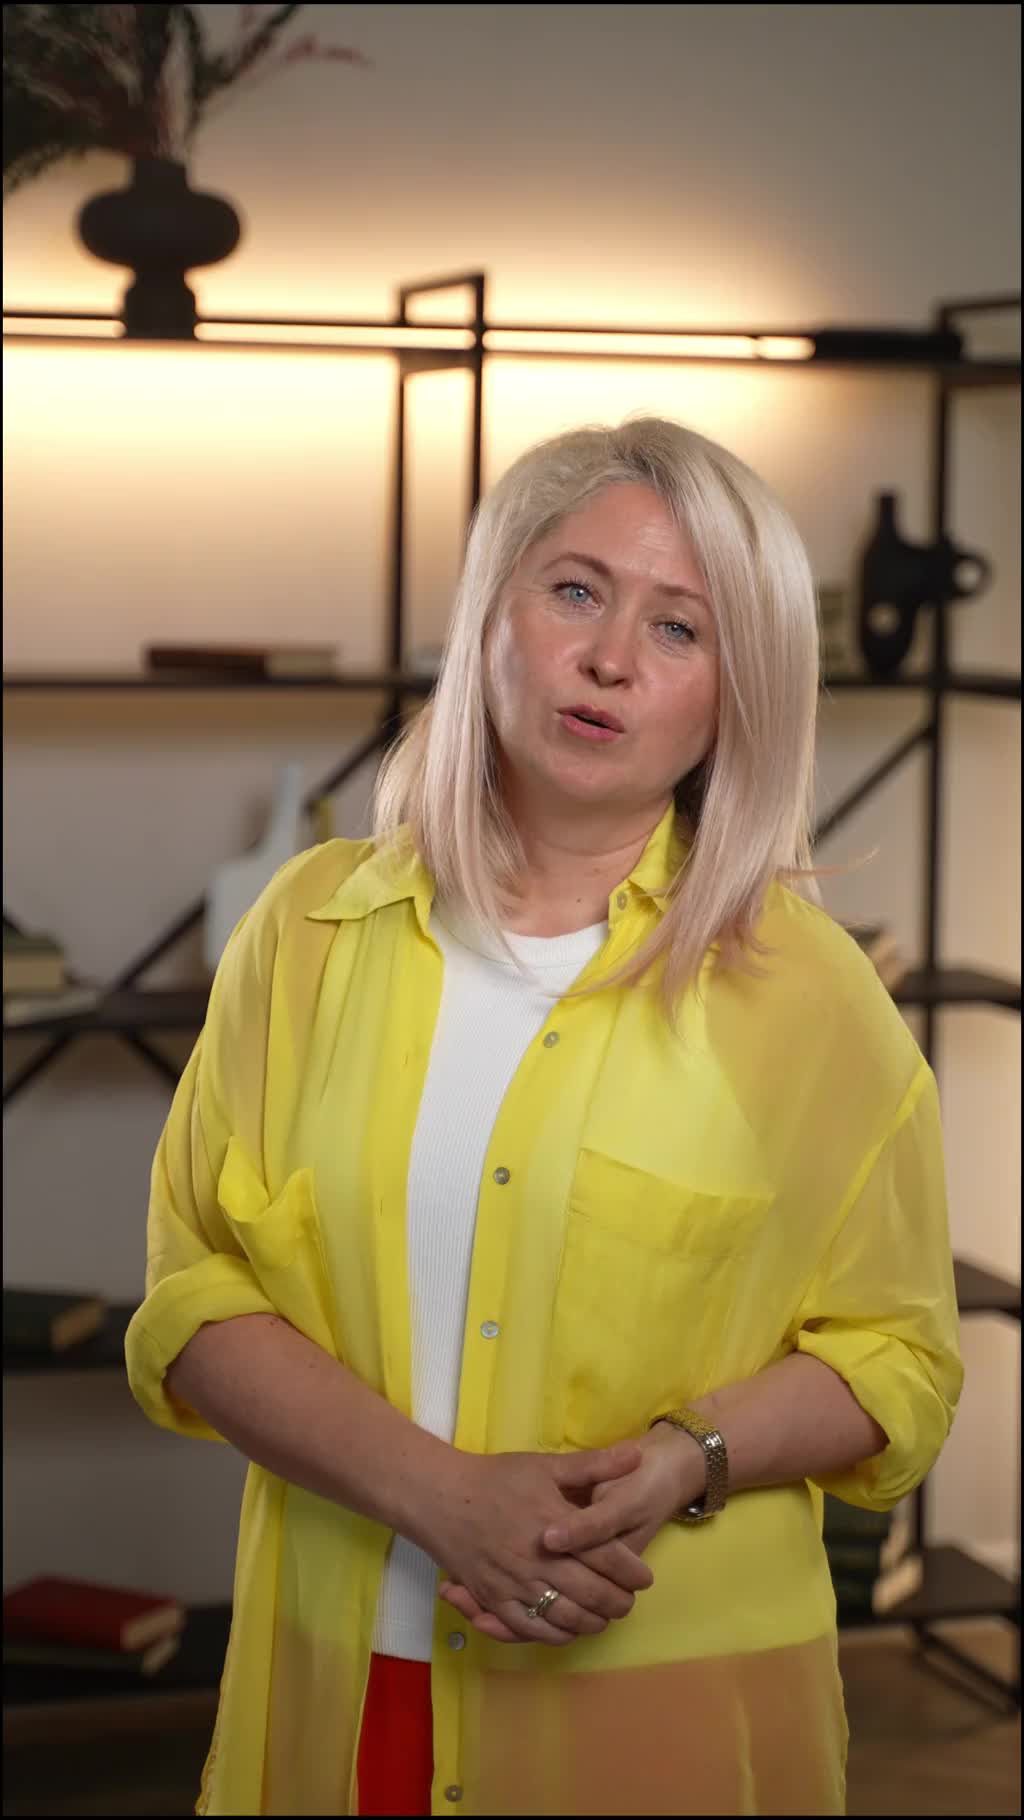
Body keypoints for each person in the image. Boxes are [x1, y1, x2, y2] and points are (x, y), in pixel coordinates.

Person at [126, 416, 962, 1818]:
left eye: (680, 628)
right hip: (339, 1679)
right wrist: (441, 1497)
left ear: (737, 695)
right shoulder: (308, 930)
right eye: (577, 589)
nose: (611, 658)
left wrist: (690, 1457)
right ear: (491, 613)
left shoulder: (815, 998)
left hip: (673, 1709)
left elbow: (900, 1363)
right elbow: (193, 1298)